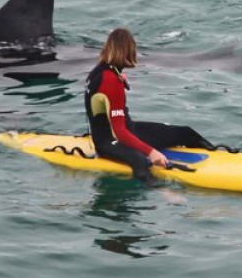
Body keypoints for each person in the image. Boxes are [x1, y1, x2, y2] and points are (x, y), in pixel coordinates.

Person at [84, 27, 214, 186]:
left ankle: (223, 158)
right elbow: (119, 132)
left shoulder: (104, 71)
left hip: (129, 130)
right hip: (109, 141)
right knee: (141, 162)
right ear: (128, 51)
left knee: (186, 133)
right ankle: (165, 193)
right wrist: (152, 153)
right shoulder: (110, 80)